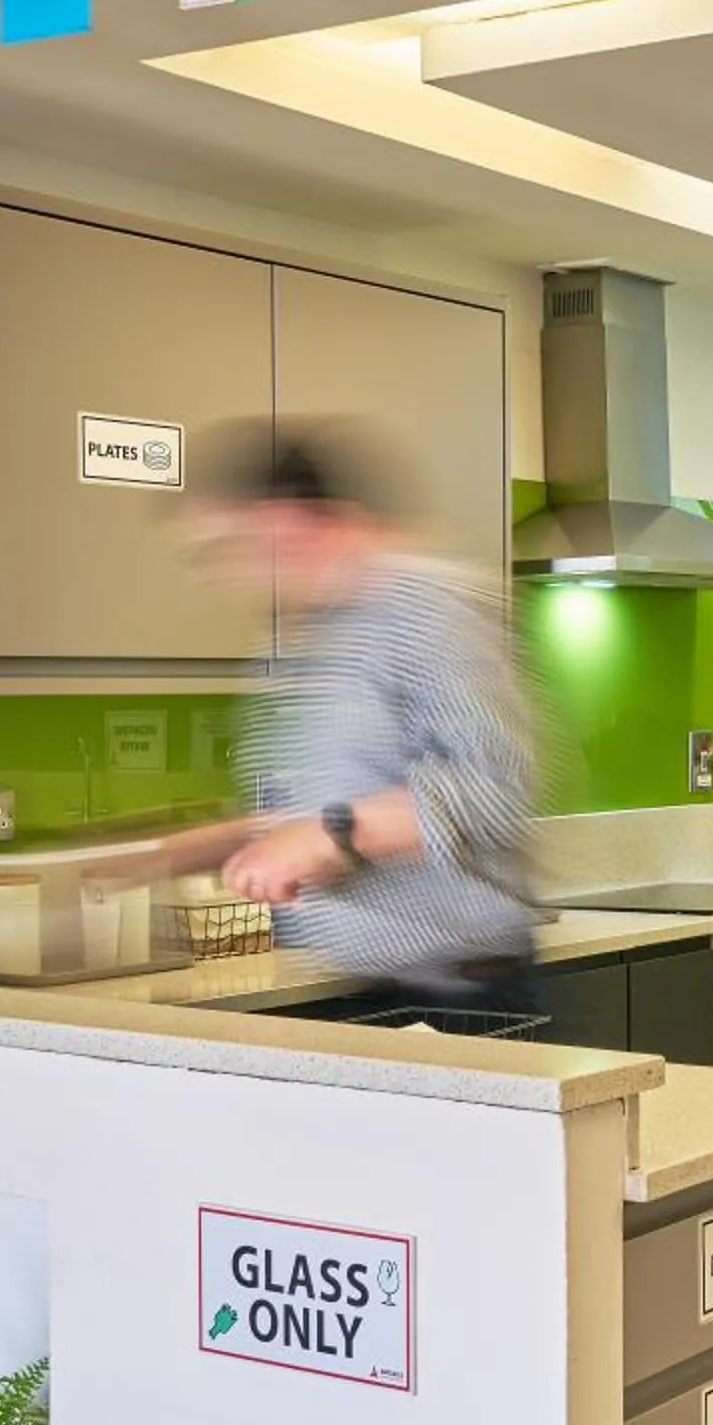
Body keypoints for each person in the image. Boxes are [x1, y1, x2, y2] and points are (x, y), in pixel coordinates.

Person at [144, 420, 544, 1008]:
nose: (218, 573)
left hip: (459, 994)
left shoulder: (424, 609)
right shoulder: (296, 640)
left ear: (283, 522)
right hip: (350, 986)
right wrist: (182, 852)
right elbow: (318, 810)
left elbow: (494, 791)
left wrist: (326, 836)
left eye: (223, 548)